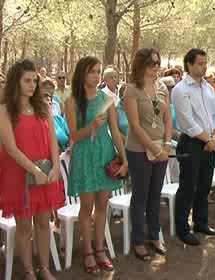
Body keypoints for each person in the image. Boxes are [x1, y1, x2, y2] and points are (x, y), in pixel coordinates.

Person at [0, 59, 65, 280]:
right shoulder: (5, 110)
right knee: (24, 226)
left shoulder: (44, 107)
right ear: (15, 82)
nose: (32, 85)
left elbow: (53, 142)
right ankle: (28, 271)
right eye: (27, 80)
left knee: (43, 223)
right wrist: (33, 171)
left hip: (45, 173)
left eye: (34, 81)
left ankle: (44, 267)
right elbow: (10, 148)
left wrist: (55, 166)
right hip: (18, 175)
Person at [65, 56, 128, 274]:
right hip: (84, 156)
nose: (96, 75)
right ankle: (88, 251)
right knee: (87, 207)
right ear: (82, 74)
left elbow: (116, 133)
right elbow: (73, 135)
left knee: (103, 205)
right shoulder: (72, 101)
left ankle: (100, 249)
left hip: (104, 154)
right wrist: (91, 125)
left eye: (99, 71)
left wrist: (124, 158)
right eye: (92, 71)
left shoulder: (108, 99)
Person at [123, 48, 171, 260]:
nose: (155, 67)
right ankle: (138, 240)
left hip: (161, 148)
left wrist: (167, 144)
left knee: (155, 195)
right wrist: (155, 150)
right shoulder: (131, 89)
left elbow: (167, 117)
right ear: (140, 64)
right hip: (139, 150)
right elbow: (134, 125)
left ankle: (154, 235)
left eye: (157, 63)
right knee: (140, 196)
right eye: (152, 63)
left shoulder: (162, 87)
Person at [172, 48, 215, 246]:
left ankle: (201, 222)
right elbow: (188, 121)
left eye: (205, 63)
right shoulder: (181, 89)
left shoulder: (208, 88)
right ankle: (182, 229)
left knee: (204, 185)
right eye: (200, 63)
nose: (203, 66)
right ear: (189, 64)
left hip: (210, 141)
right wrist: (207, 140)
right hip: (192, 143)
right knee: (188, 186)